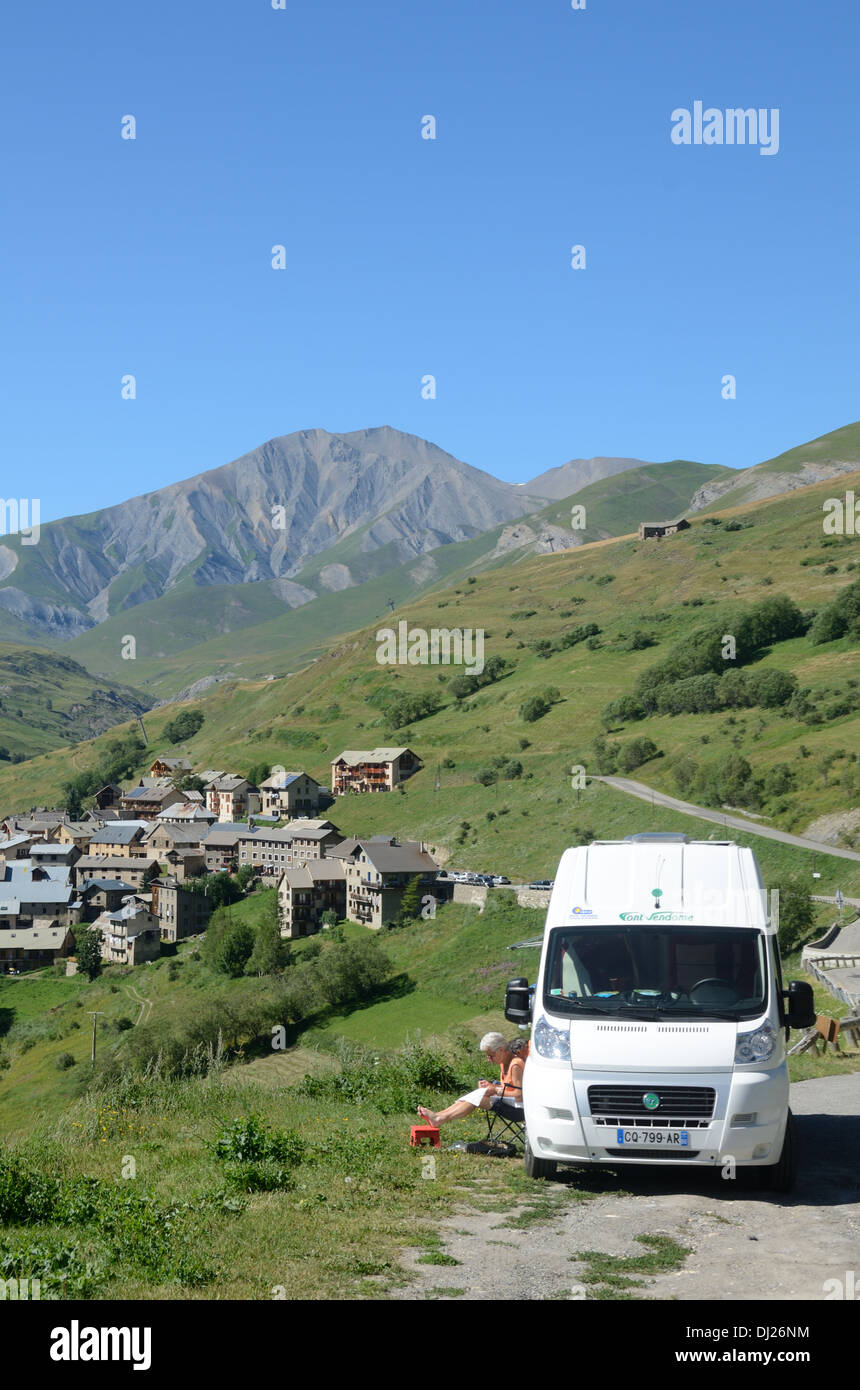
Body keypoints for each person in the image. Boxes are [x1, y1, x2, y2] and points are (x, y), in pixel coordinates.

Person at [417, 1032, 525, 1128]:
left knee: (479, 1098)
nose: (489, 1060)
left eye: (491, 1056)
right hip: (511, 1103)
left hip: (519, 1110)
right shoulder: (504, 1062)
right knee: (479, 1094)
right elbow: (509, 1088)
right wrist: (491, 1086)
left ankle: (439, 1118)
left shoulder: (515, 1065)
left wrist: (495, 1089)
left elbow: (519, 1094)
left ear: (501, 1050)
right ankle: (438, 1116)